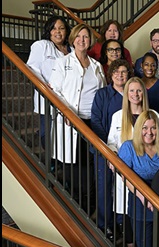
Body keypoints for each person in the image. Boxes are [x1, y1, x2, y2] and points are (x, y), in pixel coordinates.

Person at [49, 23, 106, 210]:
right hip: (71, 121)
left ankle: (89, 207)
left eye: (86, 37)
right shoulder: (62, 63)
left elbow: (103, 93)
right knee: (73, 168)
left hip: (93, 122)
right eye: (79, 36)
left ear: (90, 41)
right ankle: (77, 207)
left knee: (90, 166)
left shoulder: (96, 66)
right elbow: (54, 92)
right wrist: (64, 112)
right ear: (73, 39)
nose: (82, 40)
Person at [90, 59, 133, 238]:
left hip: (128, 151)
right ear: (111, 74)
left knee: (124, 188)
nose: (120, 75)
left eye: (123, 72)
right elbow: (96, 121)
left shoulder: (132, 94)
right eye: (116, 72)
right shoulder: (102, 94)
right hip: (105, 150)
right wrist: (107, 148)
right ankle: (104, 225)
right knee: (104, 188)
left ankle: (121, 223)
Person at [107, 76, 149, 247]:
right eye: (131, 90)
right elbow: (111, 143)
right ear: (126, 93)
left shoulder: (151, 115)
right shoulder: (118, 117)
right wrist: (113, 157)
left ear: (143, 93)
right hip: (123, 172)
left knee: (141, 213)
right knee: (125, 214)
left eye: (138, 90)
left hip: (145, 173)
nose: (135, 94)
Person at [118, 110, 159, 247]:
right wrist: (144, 198)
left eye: (153, 128)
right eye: (145, 128)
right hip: (140, 203)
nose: (149, 132)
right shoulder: (128, 147)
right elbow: (125, 177)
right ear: (139, 129)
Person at [26, 15, 72, 149]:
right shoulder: (42, 46)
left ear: (66, 31)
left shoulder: (72, 50)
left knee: (64, 133)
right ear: (49, 31)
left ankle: (60, 160)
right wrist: (45, 88)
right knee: (47, 132)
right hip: (47, 97)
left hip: (68, 98)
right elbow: (32, 70)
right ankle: (49, 161)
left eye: (61, 28)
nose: (58, 32)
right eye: (54, 29)